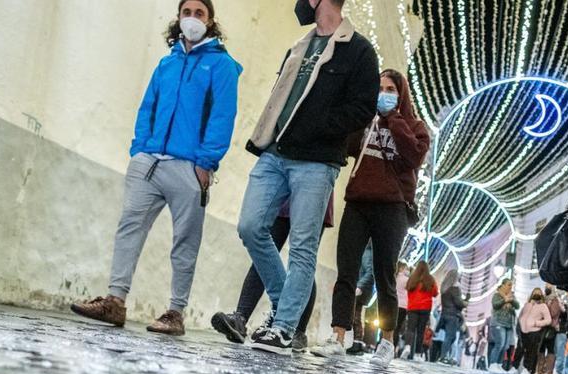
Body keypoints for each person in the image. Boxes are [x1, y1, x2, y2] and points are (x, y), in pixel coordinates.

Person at [71, 0, 241, 335]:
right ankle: (114, 301)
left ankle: (175, 312)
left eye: (199, 13)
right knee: (128, 228)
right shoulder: (166, 64)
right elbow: (147, 108)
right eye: (186, 13)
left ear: (210, 21)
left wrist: (205, 163)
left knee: (185, 243)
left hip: (189, 167)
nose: (192, 18)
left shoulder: (222, 66)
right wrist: (140, 150)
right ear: (178, 19)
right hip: (149, 163)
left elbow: (223, 117)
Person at [234, 0, 379, 355]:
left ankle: (283, 328)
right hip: (275, 152)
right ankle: (287, 303)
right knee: (250, 226)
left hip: (316, 162)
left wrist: (319, 127)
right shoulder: (299, 47)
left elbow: (363, 109)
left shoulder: (359, 51)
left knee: (302, 247)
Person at [311, 68, 431, 364]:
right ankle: (338, 334)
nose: (384, 94)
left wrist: (393, 119)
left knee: (384, 273)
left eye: (390, 89)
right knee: (347, 271)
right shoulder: (368, 119)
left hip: (393, 207)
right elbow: (347, 144)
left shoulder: (415, 126)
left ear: (401, 94)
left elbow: (414, 156)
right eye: (380, 88)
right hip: (358, 201)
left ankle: (387, 342)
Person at [209, 198, 335, 349]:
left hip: (313, 194)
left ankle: (298, 331)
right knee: (264, 254)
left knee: (302, 260)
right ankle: (240, 319)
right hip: (284, 196)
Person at [403, 261, 438, 361]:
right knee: (421, 331)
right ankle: (417, 354)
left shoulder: (412, 278)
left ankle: (407, 347)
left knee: (410, 328)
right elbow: (435, 293)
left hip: (412, 307)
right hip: (425, 307)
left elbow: (408, 289)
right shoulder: (430, 279)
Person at [518, 288, 553, 374]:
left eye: (538, 293)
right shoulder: (527, 305)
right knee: (524, 350)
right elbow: (521, 316)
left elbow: (548, 320)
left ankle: (529, 369)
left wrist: (537, 323)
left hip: (536, 331)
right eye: (535, 293)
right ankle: (524, 368)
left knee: (532, 351)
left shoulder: (543, 306)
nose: (536, 294)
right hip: (524, 331)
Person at [488, 280, 520, 370]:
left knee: (505, 346)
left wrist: (511, 300)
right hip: (498, 322)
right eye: (509, 285)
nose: (510, 287)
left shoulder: (512, 296)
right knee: (499, 343)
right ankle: (492, 364)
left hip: (509, 324)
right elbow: (495, 305)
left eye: (511, 285)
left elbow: (517, 306)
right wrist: (505, 300)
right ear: (503, 285)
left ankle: (499, 364)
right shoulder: (497, 295)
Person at [438, 273, 467, 365]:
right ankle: (443, 357)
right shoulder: (455, 289)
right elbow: (458, 303)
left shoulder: (444, 289)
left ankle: (444, 356)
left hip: (445, 314)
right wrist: (465, 303)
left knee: (449, 336)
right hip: (453, 315)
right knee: (451, 336)